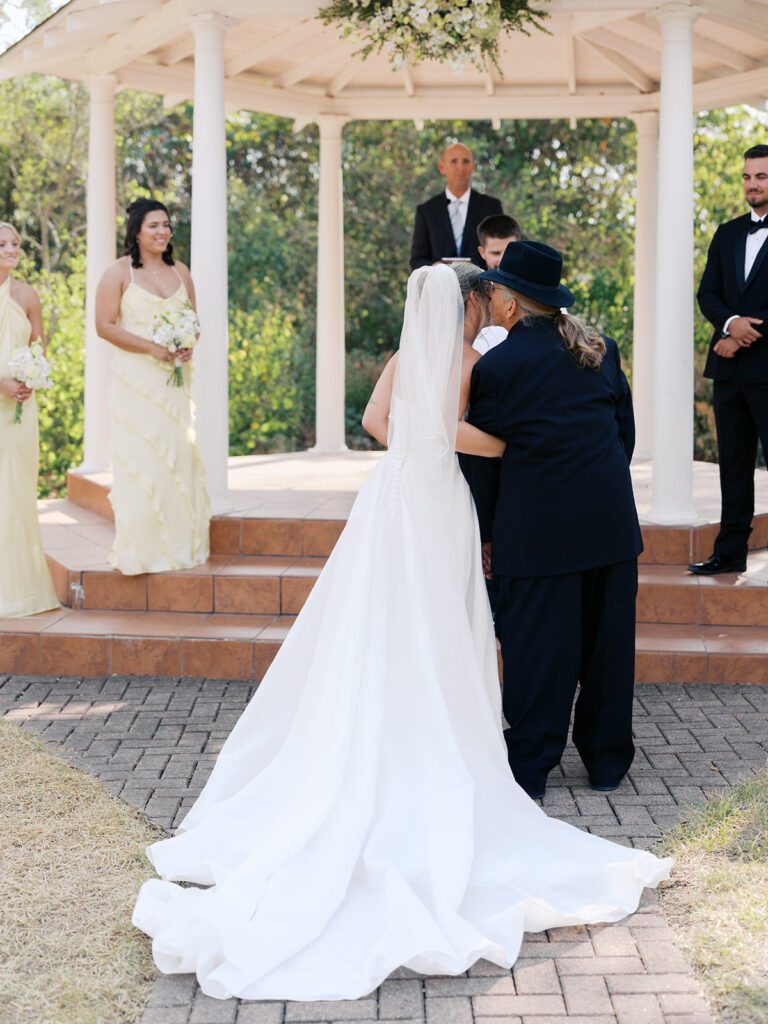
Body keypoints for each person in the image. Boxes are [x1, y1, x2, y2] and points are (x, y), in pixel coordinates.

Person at [132, 262, 670, 1003]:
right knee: (452, 622)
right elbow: (495, 439)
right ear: (476, 301)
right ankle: (488, 742)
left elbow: (378, 425)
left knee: (383, 616)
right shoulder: (503, 359)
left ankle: (403, 733)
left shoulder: (413, 358)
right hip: (472, 503)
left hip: (395, 496)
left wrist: (438, 442)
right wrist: (524, 447)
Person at [463, 241, 641, 801]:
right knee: (608, 651)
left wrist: (487, 533)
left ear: (513, 304)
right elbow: (624, 432)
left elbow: (484, 462)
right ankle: (608, 762)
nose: (490, 298)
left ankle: (533, 767)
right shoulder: (600, 349)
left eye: (495, 290)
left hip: (538, 534)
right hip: (610, 525)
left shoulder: (498, 366)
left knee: (538, 651)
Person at [95, 199, 209, 575]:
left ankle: (179, 546)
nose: (163, 232)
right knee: (143, 463)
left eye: (166, 225)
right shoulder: (118, 273)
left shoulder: (180, 271)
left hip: (174, 386)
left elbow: (193, 321)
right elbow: (105, 325)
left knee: (177, 460)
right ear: (137, 232)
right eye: (154, 226)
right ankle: (142, 550)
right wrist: (151, 348)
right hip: (135, 383)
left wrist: (187, 342)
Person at [689, 144, 768, 576]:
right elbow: (708, 294)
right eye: (747, 176)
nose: (752, 184)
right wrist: (731, 322)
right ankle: (730, 552)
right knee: (733, 467)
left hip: (764, 366)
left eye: (761, 176)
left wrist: (740, 335)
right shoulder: (728, 232)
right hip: (729, 373)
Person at [0, 221, 59, 618]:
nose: (11, 249)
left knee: (16, 492)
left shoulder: (27, 294)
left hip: (19, 408)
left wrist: (30, 379)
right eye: (2, 243)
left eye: (15, 243)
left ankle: (16, 590)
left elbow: (38, 346)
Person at [410, 143, 502, 270]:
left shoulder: (492, 207)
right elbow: (417, 259)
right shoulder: (426, 211)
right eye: (454, 161)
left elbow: (501, 252)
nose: (460, 167)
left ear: (472, 166)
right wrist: (435, 268)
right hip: (440, 287)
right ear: (442, 167)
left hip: (482, 287)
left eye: (465, 161)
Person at [473, 213, 522, 355]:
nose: (503, 260)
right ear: (482, 252)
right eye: (495, 253)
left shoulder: (542, 291)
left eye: (508, 252)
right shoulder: (473, 295)